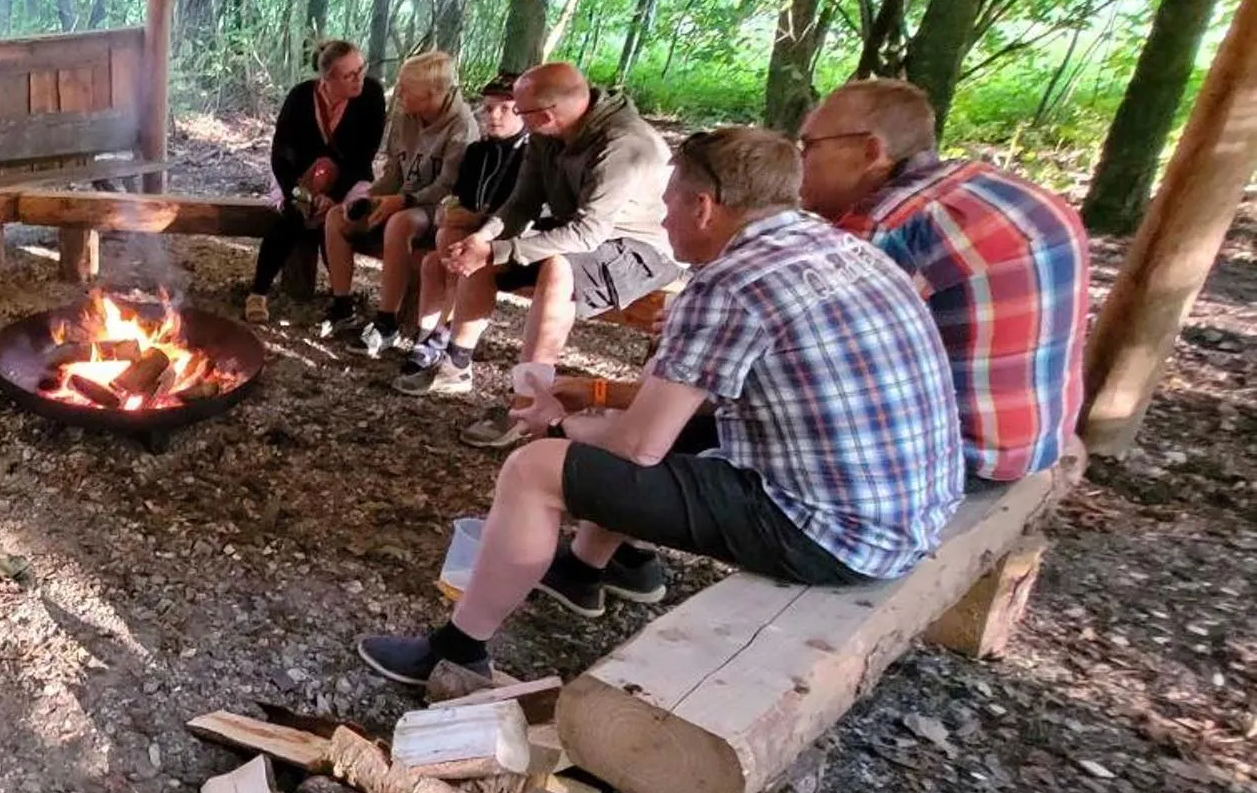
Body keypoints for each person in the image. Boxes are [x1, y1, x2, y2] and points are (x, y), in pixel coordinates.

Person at [356, 128, 963, 686]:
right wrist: (591, 394)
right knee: (627, 438)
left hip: (831, 531)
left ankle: (457, 651)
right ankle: (588, 569)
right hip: (907, 508)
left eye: (670, 201)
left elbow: (638, 446)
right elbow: (691, 401)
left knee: (536, 469)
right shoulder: (839, 247)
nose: (663, 216)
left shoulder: (728, 282)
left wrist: (559, 422)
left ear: (704, 207)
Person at [796, 79, 1086, 482]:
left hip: (958, 457)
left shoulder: (884, 227)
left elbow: (803, 362)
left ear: (870, 152)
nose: (799, 162)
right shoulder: (992, 184)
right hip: (1039, 436)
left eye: (809, 147)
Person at [433, 62, 679, 447]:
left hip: (640, 248)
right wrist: (483, 240)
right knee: (481, 250)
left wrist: (499, 249)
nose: (513, 118)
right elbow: (521, 204)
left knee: (557, 268)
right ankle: (455, 365)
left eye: (519, 111)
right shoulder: (546, 135)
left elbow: (588, 232)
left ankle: (528, 404)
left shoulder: (622, 145)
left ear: (546, 114)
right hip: (578, 235)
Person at [363, 71, 531, 382]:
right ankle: (428, 338)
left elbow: (520, 211)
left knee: (451, 250)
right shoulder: (479, 152)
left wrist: (471, 220)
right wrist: (454, 213)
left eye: (506, 108)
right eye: (489, 107)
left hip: (509, 242)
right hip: (466, 236)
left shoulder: (530, 152)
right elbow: (460, 197)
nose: (494, 116)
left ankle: (443, 342)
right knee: (432, 260)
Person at [321, 51, 475, 335]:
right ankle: (342, 305)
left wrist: (402, 200)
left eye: (407, 87)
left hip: (439, 210)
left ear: (431, 94)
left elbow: (447, 186)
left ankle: (386, 321)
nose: (399, 91)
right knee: (336, 216)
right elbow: (394, 171)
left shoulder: (462, 128)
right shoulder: (406, 118)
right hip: (402, 199)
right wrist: (370, 197)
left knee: (400, 222)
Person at [244, 39, 387, 324]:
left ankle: (341, 300)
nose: (360, 78)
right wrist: (297, 191)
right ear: (327, 78)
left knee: (338, 217)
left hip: (350, 178)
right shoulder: (300, 97)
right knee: (292, 214)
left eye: (362, 68)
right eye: (350, 75)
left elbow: (364, 154)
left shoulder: (371, 94)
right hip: (299, 177)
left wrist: (332, 194)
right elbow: (281, 152)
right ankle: (258, 292)